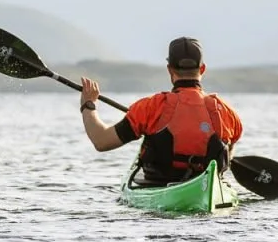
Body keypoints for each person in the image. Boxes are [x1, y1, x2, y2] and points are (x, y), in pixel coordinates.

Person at [78, 36, 242, 186]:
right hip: (207, 188)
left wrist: (88, 105)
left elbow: (101, 141)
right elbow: (228, 156)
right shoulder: (228, 113)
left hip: (158, 185)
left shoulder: (150, 108)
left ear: (170, 69)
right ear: (203, 69)